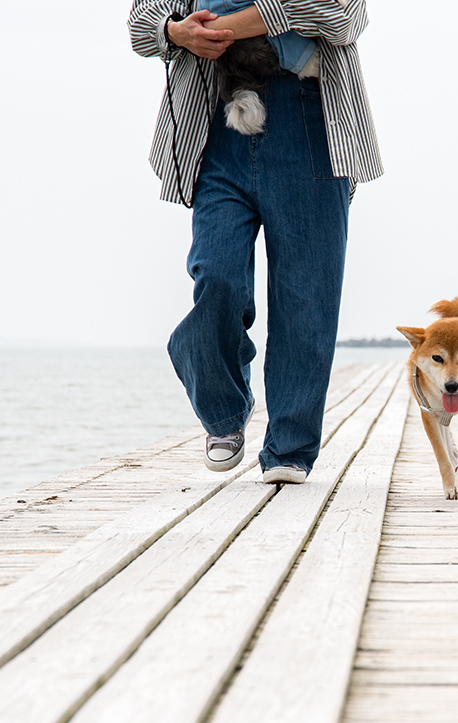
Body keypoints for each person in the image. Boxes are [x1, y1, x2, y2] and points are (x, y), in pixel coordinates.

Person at [127, 0, 382, 482]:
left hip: (311, 119)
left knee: (306, 297)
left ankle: (289, 448)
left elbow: (343, 14)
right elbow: (142, 27)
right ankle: (224, 415)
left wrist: (227, 26)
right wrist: (177, 32)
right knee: (216, 276)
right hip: (215, 125)